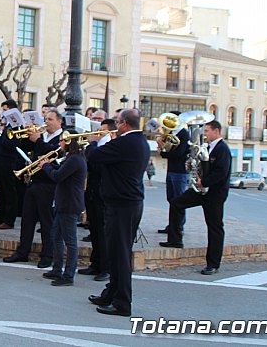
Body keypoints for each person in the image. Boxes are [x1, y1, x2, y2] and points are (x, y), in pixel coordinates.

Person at [86, 109, 150, 316]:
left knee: (120, 255)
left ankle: (122, 302)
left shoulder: (125, 143)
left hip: (122, 205)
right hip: (128, 203)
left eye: (116, 122)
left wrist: (94, 141)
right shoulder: (140, 141)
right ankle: (111, 292)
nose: (114, 126)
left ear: (123, 124)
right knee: (115, 252)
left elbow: (93, 156)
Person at [160, 120, 231, 275]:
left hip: (214, 194)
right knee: (177, 203)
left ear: (216, 131)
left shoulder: (222, 149)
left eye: (207, 131)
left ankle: (213, 264)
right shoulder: (208, 148)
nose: (204, 134)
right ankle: (175, 239)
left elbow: (221, 173)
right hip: (201, 190)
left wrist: (203, 181)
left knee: (214, 227)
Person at [3, 109, 64, 268]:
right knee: (27, 220)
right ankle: (22, 252)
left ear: (59, 122)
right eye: (46, 119)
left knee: (46, 222)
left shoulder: (64, 137)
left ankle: (47, 255)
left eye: (50, 119)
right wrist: (26, 132)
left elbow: (54, 153)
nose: (47, 122)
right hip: (33, 181)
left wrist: (37, 140)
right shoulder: (41, 135)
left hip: (49, 184)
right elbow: (22, 146)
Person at [39, 136, 87, 285]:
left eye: (62, 141)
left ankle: (68, 275)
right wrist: (50, 165)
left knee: (70, 241)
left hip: (69, 204)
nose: (60, 144)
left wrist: (45, 166)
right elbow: (61, 174)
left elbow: (58, 176)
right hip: (63, 203)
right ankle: (57, 269)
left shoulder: (74, 159)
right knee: (56, 237)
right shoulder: (72, 158)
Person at [79, 118, 117, 282]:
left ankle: (105, 268)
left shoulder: (108, 147)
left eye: (102, 130)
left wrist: (92, 144)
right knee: (94, 231)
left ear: (110, 132)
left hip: (103, 194)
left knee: (102, 233)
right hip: (93, 192)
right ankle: (95, 263)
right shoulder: (100, 146)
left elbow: (96, 164)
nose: (97, 133)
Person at [156, 113, 191, 234]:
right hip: (172, 170)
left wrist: (163, 153)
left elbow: (178, 153)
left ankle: (178, 227)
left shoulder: (183, 134)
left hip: (180, 171)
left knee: (178, 200)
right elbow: (168, 148)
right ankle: (172, 225)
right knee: (171, 199)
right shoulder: (172, 134)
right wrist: (161, 145)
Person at [0, 99, 20, 230]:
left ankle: (9, 220)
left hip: (9, 161)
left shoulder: (15, 125)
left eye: (5, 110)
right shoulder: (5, 124)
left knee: (9, 191)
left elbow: (12, 144)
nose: (3, 112)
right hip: (0, 160)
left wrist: (0, 137)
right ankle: (1, 215)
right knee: (0, 189)